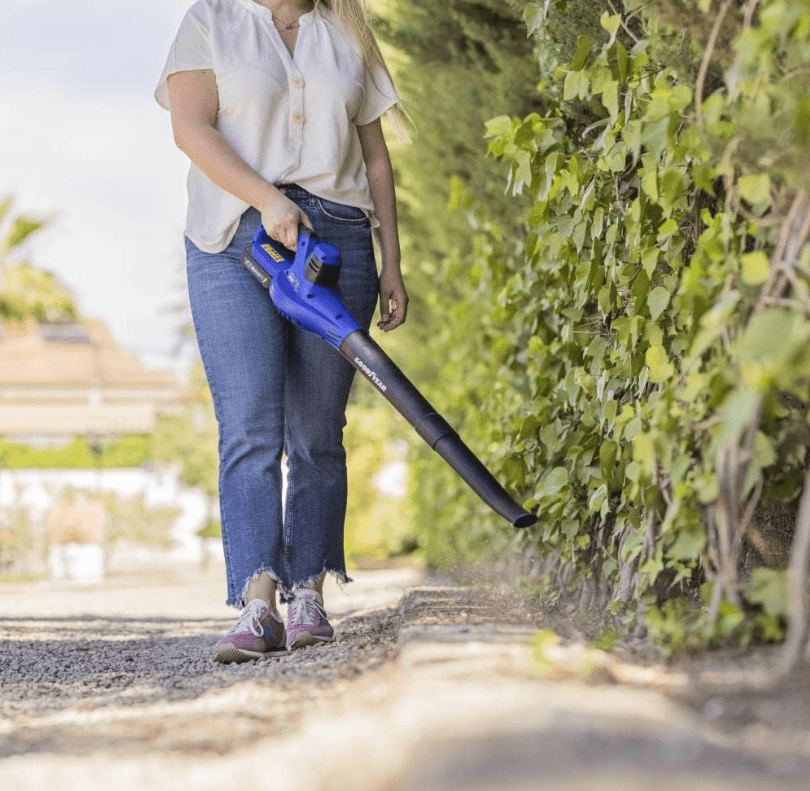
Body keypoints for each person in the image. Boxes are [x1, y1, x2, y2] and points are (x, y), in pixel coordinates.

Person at [155, 0, 408, 663]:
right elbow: (192, 128)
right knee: (250, 424)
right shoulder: (212, 20)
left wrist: (394, 264)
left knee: (318, 430)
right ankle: (258, 602)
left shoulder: (350, 29)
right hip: (235, 238)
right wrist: (269, 200)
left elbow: (376, 161)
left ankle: (308, 594)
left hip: (339, 242)